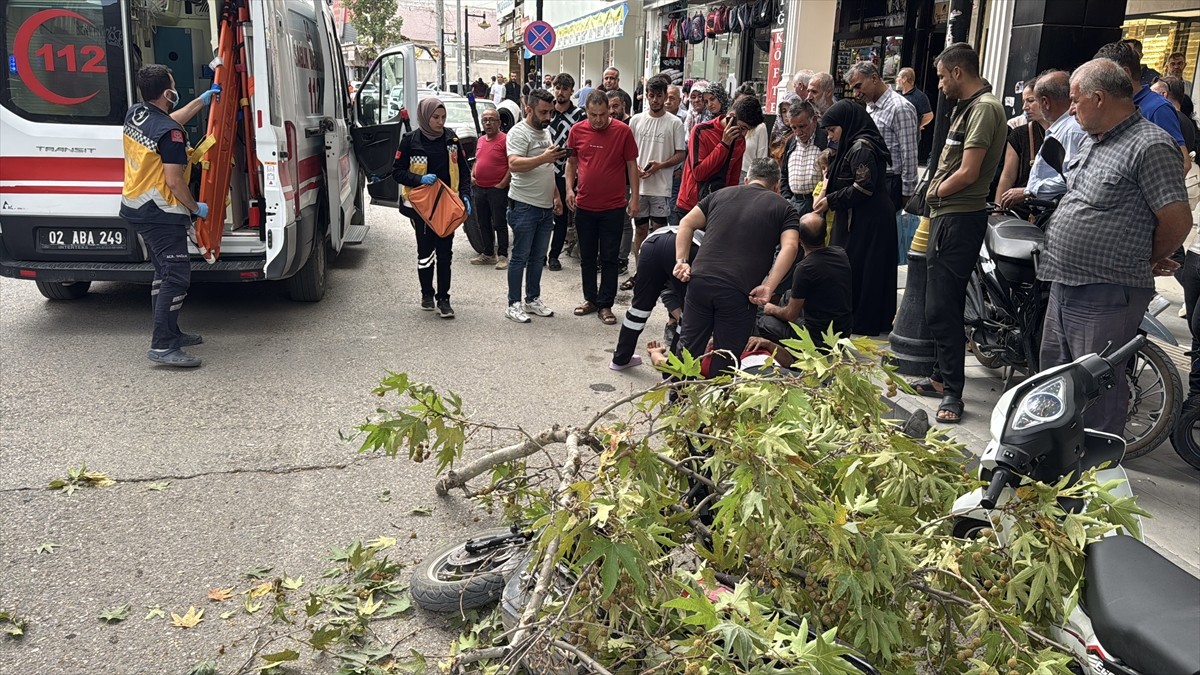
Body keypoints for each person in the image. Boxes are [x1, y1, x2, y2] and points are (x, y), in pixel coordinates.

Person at [1037, 58, 1191, 436]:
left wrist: (1146, 257)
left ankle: (1092, 478)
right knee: (1054, 382)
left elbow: (1177, 221)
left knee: (1096, 390)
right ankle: (1050, 469)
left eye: (1075, 100)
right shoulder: (1095, 140)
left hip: (1106, 290)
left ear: (1100, 97)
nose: (1071, 108)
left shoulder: (1150, 145)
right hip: (1065, 283)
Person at [911, 42, 1007, 424]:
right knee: (940, 303)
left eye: (940, 76)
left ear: (956, 72)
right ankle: (939, 377)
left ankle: (953, 391)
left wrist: (933, 192)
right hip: (948, 215)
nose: (939, 84)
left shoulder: (984, 109)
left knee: (941, 308)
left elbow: (968, 171)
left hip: (959, 217)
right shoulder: (970, 107)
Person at [120, 64, 219, 368]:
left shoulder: (137, 113)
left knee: (163, 272)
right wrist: (194, 208)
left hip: (136, 206)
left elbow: (167, 122)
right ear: (168, 93)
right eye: (174, 85)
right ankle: (163, 345)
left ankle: (170, 331)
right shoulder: (172, 135)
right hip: (159, 212)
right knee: (176, 275)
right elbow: (175, 181)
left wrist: (201, 102)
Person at [673, 157, 800, 376]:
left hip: (700, 281)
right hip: (739, 292)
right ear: (777, 185)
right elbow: (791, 246)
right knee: (726, 356)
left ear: (747, 179)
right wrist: (769, 286)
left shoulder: (720, 194)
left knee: (688, 348)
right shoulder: (784, 207)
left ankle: (677, 400)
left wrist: (682, 261)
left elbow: (686, 223)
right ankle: (715, 406)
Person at [814, 99, 897, 337]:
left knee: (863, 268)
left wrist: (831, 200)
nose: (830, 136)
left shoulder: (862, 147)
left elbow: (863, 187)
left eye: (832, 130)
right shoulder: (854, 145)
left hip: (869, 219)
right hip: (859, 217)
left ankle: (863, 320)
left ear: (846, 124)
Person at [393, 97, 472, 319]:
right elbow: (397, 172)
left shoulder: (452, 139)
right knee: (425, 252)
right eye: (435, 117)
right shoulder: (410, 141)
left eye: (443, 117)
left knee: (445, 253)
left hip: (447, 206)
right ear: (425, 117)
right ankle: (426, 293)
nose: (440, 122)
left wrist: (465, 196)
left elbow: (464, 171)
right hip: (422, 209)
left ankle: (444, 299)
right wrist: (418, 179)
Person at [566, 90, 640, 326]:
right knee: (587, 257)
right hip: (584, 205)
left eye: (602, 114)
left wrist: (635, 197)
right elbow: (571, 162)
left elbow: (632, 166)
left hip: (613, 207)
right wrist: (569, 189)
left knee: (609, 257)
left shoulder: (623, 131)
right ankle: (591, 299)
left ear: (610, 109)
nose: (598, 119)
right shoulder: (577, 131)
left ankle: (606, 304)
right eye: (593, 115)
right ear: (585, 112)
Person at [504, 88, 564, 323]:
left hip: (545, 206)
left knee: (538, 257)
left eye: (550, 112)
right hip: (524, 205)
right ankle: (513, 304)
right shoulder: (519, 133)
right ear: (528, 109)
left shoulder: (545, 131)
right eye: (543, 112)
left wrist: (556, 196)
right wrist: (544, 158)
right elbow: (514, 164)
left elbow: (547, 169)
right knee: (520, 256)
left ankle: (532, 299)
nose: (548, 117)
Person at [609, 224, 702, 370]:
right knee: (690, 314)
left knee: (639, 307)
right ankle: (673, 370)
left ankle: (620, 359)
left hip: (652, 244)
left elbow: (665, 293)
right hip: (689, 249)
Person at [1096, 40, 1190, 174]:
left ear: (1125, 73)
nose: (1100, 83)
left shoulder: (1158, 108)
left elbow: (1182, 163)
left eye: (1103, 76)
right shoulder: (1119, 105)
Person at [759, 213, 854, 345]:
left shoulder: (804, 268)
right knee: (788, 295)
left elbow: (790, 315)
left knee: (764, 322)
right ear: (825, 234)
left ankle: (789, 349)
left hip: (819, 338)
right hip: (843, 332)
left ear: (799, 239)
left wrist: (771, 309)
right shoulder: (840, 253)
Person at [628, 76, 686, 287]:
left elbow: (681, 154)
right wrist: (637, 169)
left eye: (658, 96)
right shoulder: (636, 120)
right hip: (640, 186)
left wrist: (660, 165)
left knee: (660, 231)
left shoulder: (674, 123)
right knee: (640, 229)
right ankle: (640, 272)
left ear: (665, 97)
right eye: (651, 96)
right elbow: (629, 153)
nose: (654, 100)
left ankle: (658, 274)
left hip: (662, 187)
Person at [1001, 70, 1086, 208]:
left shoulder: (1071, 131)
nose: (1024, 107)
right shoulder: (1062, 128)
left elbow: (1071, 178)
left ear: (1045, 102)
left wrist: (1029, 192)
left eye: (1033, 101)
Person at [846, 61, 919, 214]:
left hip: (890, 182)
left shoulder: (900, 107)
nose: (856, 93)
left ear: (874, 78)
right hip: (872, 180)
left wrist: (907, 193)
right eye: (853, 88)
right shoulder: (870, 105)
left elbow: (909, 153)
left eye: (858, 86)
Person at [674, 90, 757, 221]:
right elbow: (699, 173)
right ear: (731, 116)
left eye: (747, 130)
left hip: (718, 206)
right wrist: (724, 145)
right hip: (691, 204)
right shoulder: (701, 131)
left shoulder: (740, 141)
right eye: (742, 128)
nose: (743, 134)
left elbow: (733, 179)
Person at [546, 73, 586, 272]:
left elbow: (584, 142)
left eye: (564, 89)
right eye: (557, 88)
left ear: (571, 91)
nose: (560, 92)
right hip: (544, 169)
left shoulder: (580, 115)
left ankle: (554, 255)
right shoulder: (546, 111)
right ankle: (536, 253)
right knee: (542, 213)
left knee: (560, 215)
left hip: (566, 171)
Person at [994, 80, 1048, 215]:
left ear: (1046, 100)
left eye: (1030, 100)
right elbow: (1007, 176)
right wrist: (997, 211)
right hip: (1020, 211)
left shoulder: (1069, 133)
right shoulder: (1019, 134)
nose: (1024, 107)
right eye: (1024, 101)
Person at [469, 108, 511, 268]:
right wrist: (473, 174)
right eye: (485, 120)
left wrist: (503, 183)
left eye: (491, 119)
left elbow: (511, 164)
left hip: (497, 189)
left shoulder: (505, 139)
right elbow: (477, 160)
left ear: (499, 122)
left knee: (499, 222)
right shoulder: (480, 140)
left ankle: (502, 255)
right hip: (479, 188)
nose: (488, 123)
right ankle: (488, 253)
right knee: (483, 222)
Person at [778, 100, 827, 215]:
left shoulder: (825, 140)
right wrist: (787, 198)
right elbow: (784, 174)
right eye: (793, 128)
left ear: (814, 120)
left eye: (802, 126)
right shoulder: (790, 141)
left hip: (816, 202)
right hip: (793, 201)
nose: (798, 132)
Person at [1152, 76, 1199, 158]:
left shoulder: (1165, 119)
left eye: (1152, 94)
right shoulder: (1189, 123)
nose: (1149, 99)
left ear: (1163, 94)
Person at [733, 86, 769, 179]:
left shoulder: (760, 127)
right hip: (731, 172)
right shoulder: (730, 124)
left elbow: (762, 156)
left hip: (748, 175)